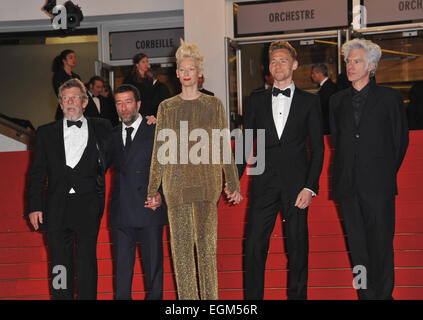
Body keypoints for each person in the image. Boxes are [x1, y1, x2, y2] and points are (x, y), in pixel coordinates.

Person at [147, 40, 243, 300]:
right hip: (175, 188)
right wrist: (152, 188)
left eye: (192, 68)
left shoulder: (214, 105)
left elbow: (224, 146)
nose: (187, 72)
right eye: (182, 68)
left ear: (200, 73)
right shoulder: (166, 107)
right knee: (181, 255)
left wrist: (233, 183)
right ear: (176, 73)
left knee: (207, 251)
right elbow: (160, 150)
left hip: (206, 186)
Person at [238, 40, 324, 300]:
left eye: (283, 60)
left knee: (298, 249)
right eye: (273, 61)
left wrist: (310, 187)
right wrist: (233, 179)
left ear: (295, 65)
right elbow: (245, 143)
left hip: (297, 187)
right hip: (263, 185)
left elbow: (318, 149)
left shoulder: (310, 102)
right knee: (253, 246)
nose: (277, 65)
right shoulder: (255, 99)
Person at [329, 39, 409, 300]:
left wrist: (382, 172)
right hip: (348, 186)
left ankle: (384, 295)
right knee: (358, 248)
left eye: (357, 62)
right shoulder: (336, 101)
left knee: (381, 245)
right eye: (348, 61)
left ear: (371, 66)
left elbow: (400, 141)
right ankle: (364, 294)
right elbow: (338, 141)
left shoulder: (389, 98)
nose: (350, 66)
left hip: (379, 186)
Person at [27, 78, 112, 299]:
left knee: (87, 262)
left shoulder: (101, 127)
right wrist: (35, 206)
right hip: (56, 207)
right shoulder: (45, 133)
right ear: (60, 103)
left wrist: (148, 120)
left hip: (88, 205)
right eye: (65, 98)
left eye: (75, 97)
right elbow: (36, 173)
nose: (70, 102)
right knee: (59, 263)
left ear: (84, 102)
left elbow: (124, 139)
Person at [105, 84, 167, 300]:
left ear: (138, 104)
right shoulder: (111, 135)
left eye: (128, 102)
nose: (123, 108)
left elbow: (170, 169)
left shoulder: (156, 130)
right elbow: (97, 168)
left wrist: (162, 197)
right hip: (122, 212)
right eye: (119, 103)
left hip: (150, 208)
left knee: (154, 273)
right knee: (122, 273)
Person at [123, 53, 170, 118]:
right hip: (137, 111)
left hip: (151, 112)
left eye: (147, 61)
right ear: (137, 64)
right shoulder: (130, 79)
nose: (146, 64)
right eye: (143, 62)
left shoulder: (150, 78)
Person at [52, 49, 81, 120]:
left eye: (74, 57)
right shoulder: (58, 75)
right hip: (65, 109)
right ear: (64, 60)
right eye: (71, 57)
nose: (74, 59)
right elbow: (59, 93)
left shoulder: (76, 76)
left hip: (76, 109)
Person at [311, 63, 338, 134]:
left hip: (328, 127)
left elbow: (324, 109)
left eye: (313, 73)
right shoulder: (329, 86)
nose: (312, 76)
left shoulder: (328, 88)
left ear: (319, 73)